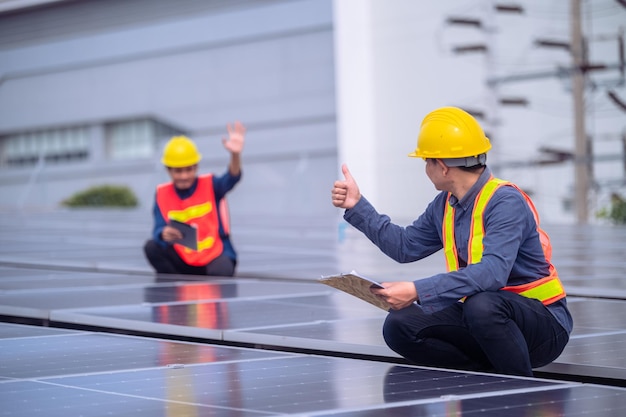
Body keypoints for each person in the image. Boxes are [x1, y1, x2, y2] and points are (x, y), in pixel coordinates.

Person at [331, 107, 572, 376]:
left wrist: (417, 290)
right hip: (486, 323)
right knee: (400, 325)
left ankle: (518, 388)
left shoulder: (505, 202)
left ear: (442, 166)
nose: (425, 168)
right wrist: (357, 205)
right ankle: (480, 379)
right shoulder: (445, 205)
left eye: (427, 161)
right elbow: (405, 246)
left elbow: (492, 273)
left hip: (543, 327)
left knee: (482, 305)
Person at [144, 121, 246, 277]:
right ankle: (175, 288)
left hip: (214, 255)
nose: (184, 176)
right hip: (183, 258)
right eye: (178, 171)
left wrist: (235, 155)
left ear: (196, 167)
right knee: (151, 247)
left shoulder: (211, 185)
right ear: (168, 171)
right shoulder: (162, 194)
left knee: (221, 271)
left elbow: (232, 178)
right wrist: (163, 233)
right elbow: (158, 229)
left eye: (188, 170)